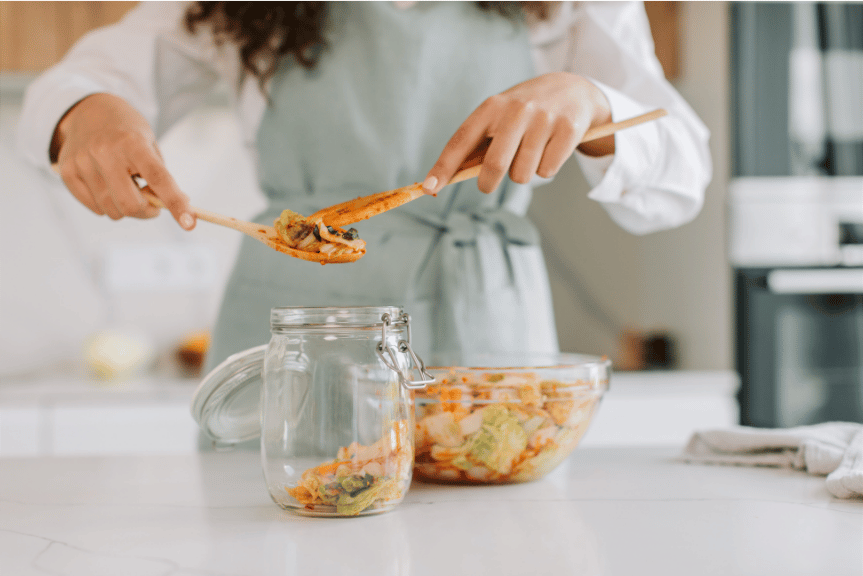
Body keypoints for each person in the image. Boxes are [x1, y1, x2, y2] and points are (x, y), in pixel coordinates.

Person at [18, 1, 711, 371]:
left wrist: (592, 105)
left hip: (482, 323)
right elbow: (85, 79)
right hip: (290, 331)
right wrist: (86, 112)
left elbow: (682, 175)